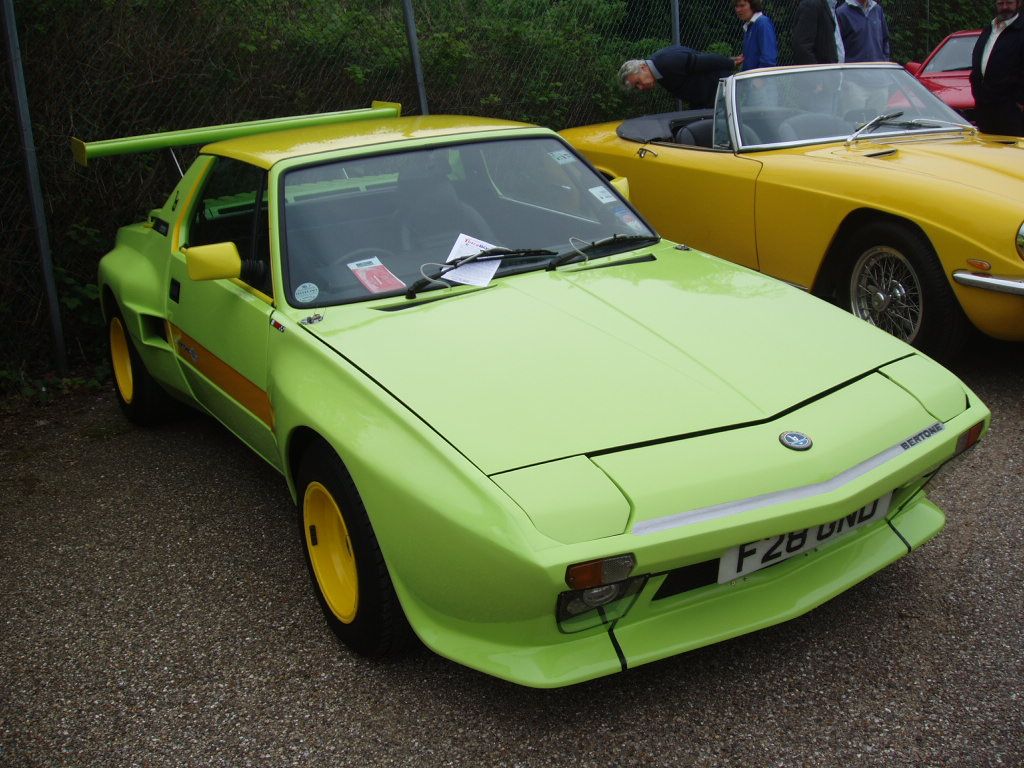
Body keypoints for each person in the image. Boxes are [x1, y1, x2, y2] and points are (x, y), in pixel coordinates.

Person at [619, 46, 735, 109]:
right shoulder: (659, 71)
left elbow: (705, 60)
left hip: (722, 93)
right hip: (709, 100)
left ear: (643, 67)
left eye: (638, 82)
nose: (640, 88)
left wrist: (730, 63)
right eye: (636, 87)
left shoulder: (666, 62)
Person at [971, 0, 1024, 136]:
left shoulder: (1020, 31)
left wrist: (1019, 102)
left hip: (1011, 113)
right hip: (985, 110)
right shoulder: (989, 29)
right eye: (1001, 3)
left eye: (1009, 3)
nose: (1005, 7)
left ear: (1019, 4)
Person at [791, 0, 844, 64]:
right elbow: (802, 48)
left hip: (836, 70)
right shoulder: (811, 5)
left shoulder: (834, 6)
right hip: (822, 71)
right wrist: (818, 72)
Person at [733, 0, 778, 71]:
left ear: (753, 6)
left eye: (742, 5)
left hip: (759, 78)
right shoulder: (750, 25)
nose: (738, 10)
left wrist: (760, 79)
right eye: (736, 6)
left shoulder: (763, 23)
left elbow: (768, 59)